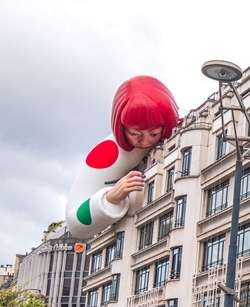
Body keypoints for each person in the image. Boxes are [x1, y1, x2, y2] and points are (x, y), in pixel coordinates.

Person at [64, 76, 180, 238]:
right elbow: (75, 222)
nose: (145, 141)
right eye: (134, 133)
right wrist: (110, 198)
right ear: (121, 127)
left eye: (153, 134)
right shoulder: (107, 152)